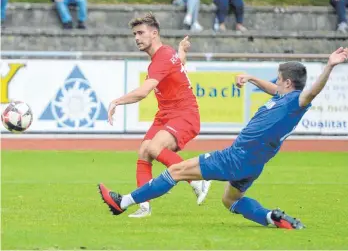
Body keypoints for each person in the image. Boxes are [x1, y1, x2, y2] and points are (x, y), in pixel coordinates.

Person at [98, 47, 348, 229]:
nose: (276, 83)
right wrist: (251, 78)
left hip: (236, 156)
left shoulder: (298, 101)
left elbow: (312, 92)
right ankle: (270, 217)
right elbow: (273, 90)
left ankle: (124, 202)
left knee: (176, 171)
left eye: (279, 79)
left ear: (288, 83)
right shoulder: (285, 98)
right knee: (230, 200)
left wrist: (329, 65)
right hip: (253, 165)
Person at [106, 13, 211, 218]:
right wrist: (182, 51)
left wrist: (117, 101)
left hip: (184, 114)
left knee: (155, 147)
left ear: (154, 34)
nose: (136, 37)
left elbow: (143, 92)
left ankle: (197, 179)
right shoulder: (167, 54)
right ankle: (143, 206)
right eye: (134, 34)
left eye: (140, 33)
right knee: (144, 151)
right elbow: (178, 63)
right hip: (165, 114)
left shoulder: (161, 58)